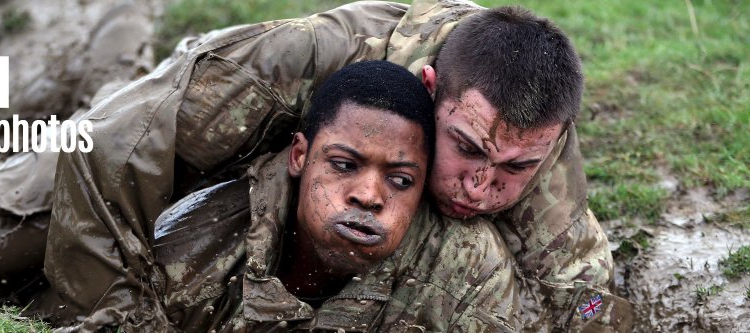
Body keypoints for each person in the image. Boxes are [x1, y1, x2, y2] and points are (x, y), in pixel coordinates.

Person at [0, 1, 631, 331]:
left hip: (276, 186)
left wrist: (604, 318)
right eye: (470, 150)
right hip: (165, 129)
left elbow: (588, 294)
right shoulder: (299, 62)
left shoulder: (530, 131)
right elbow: (121, 150)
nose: (483, 187)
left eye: (515, 169)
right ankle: (110, 58)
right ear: (426, 89)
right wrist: (122, 315)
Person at [40, 60, 517, 332]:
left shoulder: (466, 273)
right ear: (299, 157)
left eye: (400, 180)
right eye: (344, 166)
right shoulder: (192, 251)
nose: (369, 196)